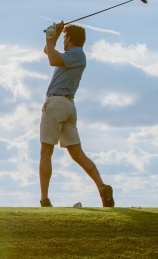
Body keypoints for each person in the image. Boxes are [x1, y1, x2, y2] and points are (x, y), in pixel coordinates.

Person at [39, 21, 114, 208]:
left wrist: (50, 37)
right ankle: (102, 187)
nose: (63, 40)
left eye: (65, 37)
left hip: (57, 103)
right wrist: (53, 35)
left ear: (70, 39)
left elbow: (52, 60)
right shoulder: (74, 55)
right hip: (68, 106)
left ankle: (44, 199)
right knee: (77, 154)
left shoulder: (76, 54)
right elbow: (49, 52)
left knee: (46, 152)